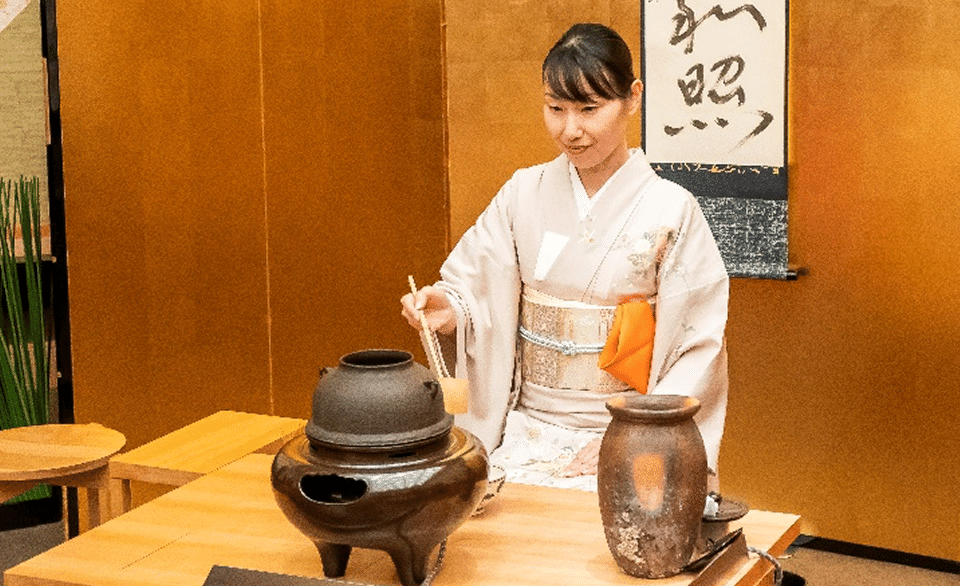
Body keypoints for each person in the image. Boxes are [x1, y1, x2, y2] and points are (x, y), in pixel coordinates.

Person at [401, 23, 728, 492]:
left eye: (589, 109)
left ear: (633, 98)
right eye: (555, 109)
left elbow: (698, 345)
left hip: (627, 427)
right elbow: (474, 289)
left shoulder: (672, 209)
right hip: (524, 426)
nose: (570, 130)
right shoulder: (522, 193)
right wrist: (450, 311)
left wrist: (637, 433)